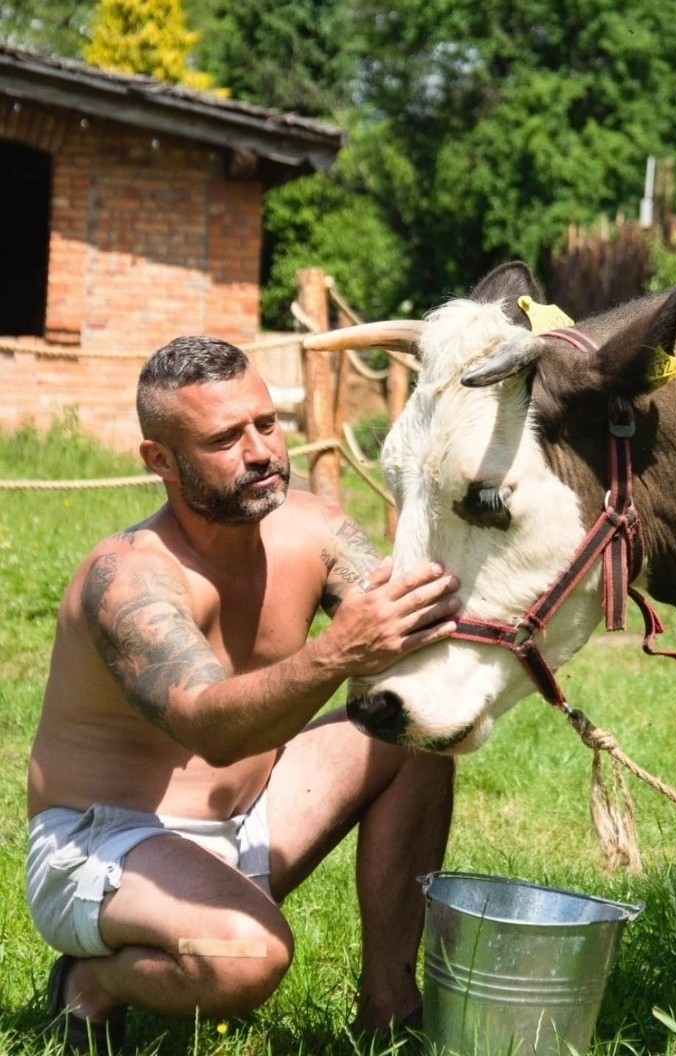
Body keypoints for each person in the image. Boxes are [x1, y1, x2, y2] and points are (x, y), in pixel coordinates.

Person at [26, 335, 460, 1055]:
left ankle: (392, 1009)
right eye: (225, 438)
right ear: (159, 460)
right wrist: (339, 652)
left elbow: (419, 626)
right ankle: (90, 985)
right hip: (105, 847)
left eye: (265, 424)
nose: (260, 452)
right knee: (251, 957)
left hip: (246, 826)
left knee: (415, 725)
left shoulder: (314, 529)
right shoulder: (128, 579)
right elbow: (211, 727)